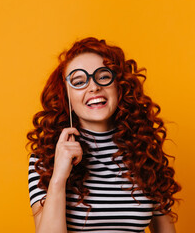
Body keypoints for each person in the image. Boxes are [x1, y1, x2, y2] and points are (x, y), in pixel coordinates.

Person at [27, 37, 181, 233]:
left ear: (119, 86)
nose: (94, 87)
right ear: (66, 97)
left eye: (103, 76)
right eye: (79, 81)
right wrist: (59, 177)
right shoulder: (46, 158)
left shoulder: (145, 152)